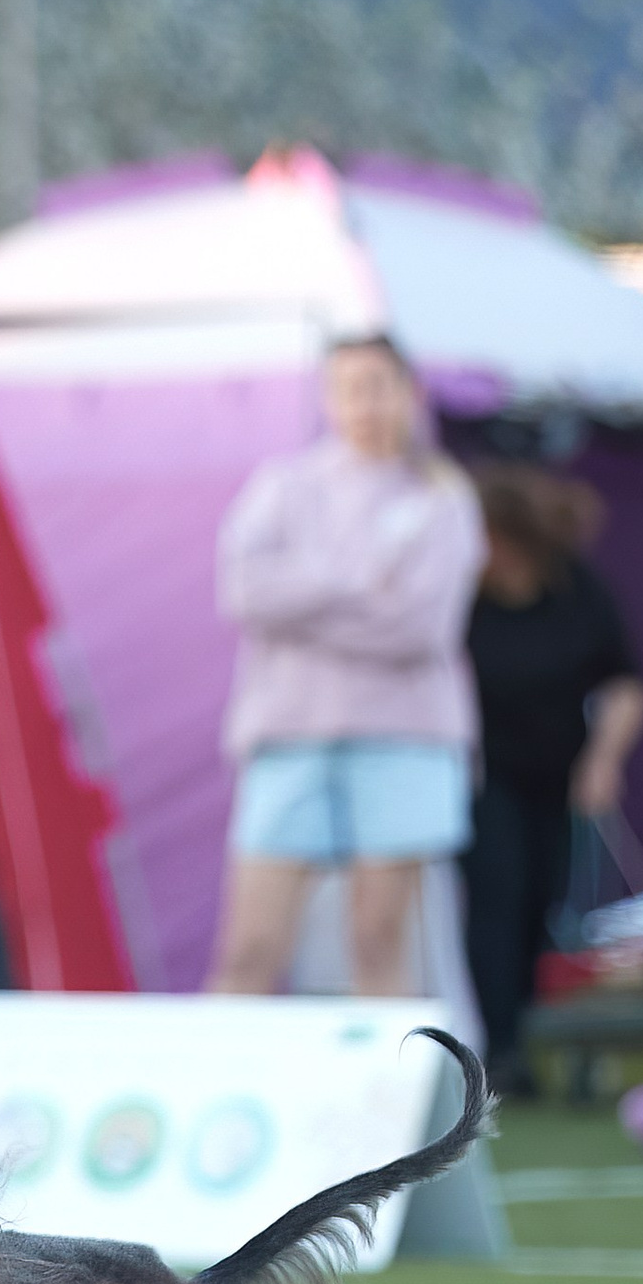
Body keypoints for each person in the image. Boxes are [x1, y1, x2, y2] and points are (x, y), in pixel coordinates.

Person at [208, 334, 485, 997]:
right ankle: (214, 1092)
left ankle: (385, 1098)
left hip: (403, 741)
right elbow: (244, 591)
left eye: (379, 385)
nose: (365, 403)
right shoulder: (283, 485)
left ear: (409, 393)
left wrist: (302, 597)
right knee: (251, 945)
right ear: (329, 399)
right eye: (349, 388)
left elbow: (419, 626)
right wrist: (360, 583)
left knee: (379, 940)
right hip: (290, 739)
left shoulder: (442, 498)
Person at [460, 464, 643, 1088]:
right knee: (497, 895)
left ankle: (525, 1028)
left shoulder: (578, 590)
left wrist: (603, 760)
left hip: (560, 778)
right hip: (483, 779)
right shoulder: (459, 598)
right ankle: (498, 1047)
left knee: (543, 898)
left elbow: (626, 682)